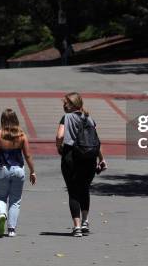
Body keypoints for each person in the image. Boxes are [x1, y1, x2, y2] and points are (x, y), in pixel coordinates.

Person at [56, 92, 107, 237]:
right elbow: (96, 140)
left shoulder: (66, 118)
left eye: (66, 103)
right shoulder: (89, 118)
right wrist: (101, 159)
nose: (64, 105)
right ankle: (85, 222)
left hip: (71, 156)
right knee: (84, 189)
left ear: (73, 104)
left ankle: (77, 227)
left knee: (73, 191)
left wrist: (59, 147)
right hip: (89, 158)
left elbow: (60, 136)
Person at [0, 108, 36, 237]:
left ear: (2, 120)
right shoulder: (21, 135)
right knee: (15, 200)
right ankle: (11, 230)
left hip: (2, 169)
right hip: (18, 170)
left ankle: (2, 214)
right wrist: (32, 171)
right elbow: (28, 155)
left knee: (0, 197)